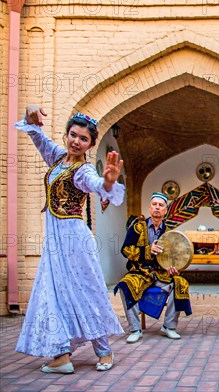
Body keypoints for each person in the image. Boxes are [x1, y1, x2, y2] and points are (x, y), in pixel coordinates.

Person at [15, 105, 125, 374]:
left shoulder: (82, 171)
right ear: (66, 135)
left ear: (90, 144)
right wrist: (31, 119)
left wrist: (108, 184)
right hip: (54, 239)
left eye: (84, 139)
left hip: (74, 239)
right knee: (52, 292)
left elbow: (96, 184)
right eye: (73, 135)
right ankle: (61, 354)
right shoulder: (56, 158)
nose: (77, 141)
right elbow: (39, 138)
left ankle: (104, 350)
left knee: (85, 290)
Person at [114, 192, 192, 343]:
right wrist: (147, 250)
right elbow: (126, 250)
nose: (157, 208)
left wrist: (174, 268)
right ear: (149, 208)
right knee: (125, 285)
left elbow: (174, 256)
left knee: (180, 283)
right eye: (154, 204)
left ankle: (169, 327)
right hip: (140, 271)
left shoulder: (170, 232)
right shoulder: (137, 227)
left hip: (161, 273)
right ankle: (135, 329)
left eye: (161, 205)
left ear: (165, 210)